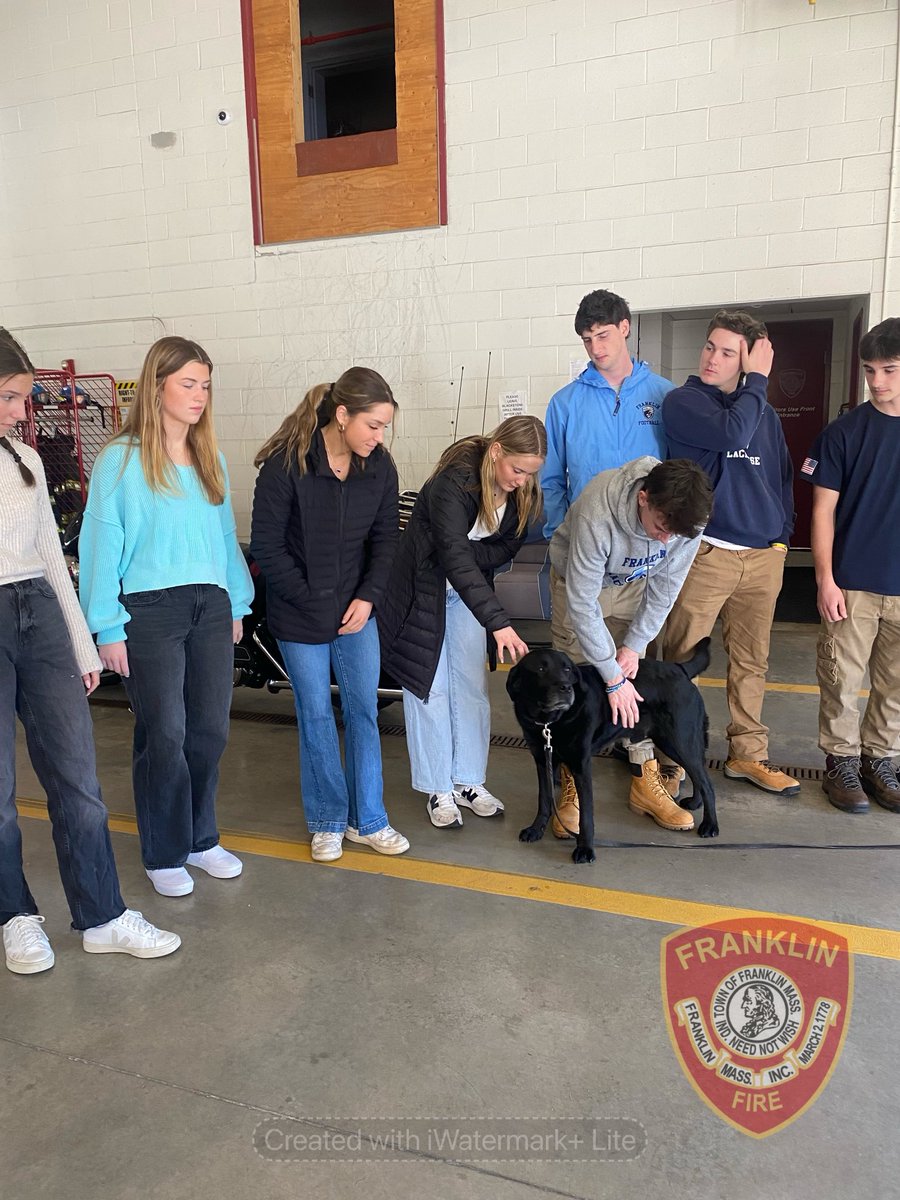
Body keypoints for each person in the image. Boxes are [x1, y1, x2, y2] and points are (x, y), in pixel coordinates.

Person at [0, 328, 180, 973]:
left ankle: (102, 915)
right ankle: (16, 916)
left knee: (78, 782)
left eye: (24, 399)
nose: (23, 412)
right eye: (12, 397)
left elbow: (52, 556)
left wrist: (81, 646)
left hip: (40, 615)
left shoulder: (25, 460)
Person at [79, 337, 253, 898]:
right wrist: (105, 625)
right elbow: (101, 546)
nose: (199, 395)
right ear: (157, 387)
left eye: (205, 385)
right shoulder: (120, 461)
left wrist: (238, 601)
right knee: (166, 733)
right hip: (149, 611)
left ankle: (202, 839)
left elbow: (224, 539)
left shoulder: (211, 460)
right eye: (188, 383)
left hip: (210, 605)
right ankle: (164, 850)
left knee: (209, 730)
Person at [250, 368, 408, 863]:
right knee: (315, 714)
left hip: (358, 613)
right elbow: (268, 549)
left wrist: (368, 597)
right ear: (342, 416)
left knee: (362, 710)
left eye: (384, 427)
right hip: (301, 615)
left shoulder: (379, 468)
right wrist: (313, 598)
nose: (379, 437)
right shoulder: (285, 466)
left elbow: (386, 540)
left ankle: (369, 819)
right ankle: (326, 821)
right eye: (373, 425)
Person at [542, 289, 675, 834]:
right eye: (586, 340)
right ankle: (573, 778)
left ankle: (646, 774)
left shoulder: (665, 397)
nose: (595, 349)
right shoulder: (566, 403)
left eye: (603, 335)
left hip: (642, 568)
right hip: (584, 564)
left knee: (631, 666)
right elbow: (551, 481)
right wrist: (563, 540)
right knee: (573, 670)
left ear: (625, 328)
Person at [379, 416, 546, 830]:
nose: (522, 480)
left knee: (470, 687)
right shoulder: (453, 484)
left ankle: (469, 781)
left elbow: (507, 547)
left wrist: (474, 559)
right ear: (496, 452)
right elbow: (453, 555)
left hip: (467, 592)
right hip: (424, 590)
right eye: (517, 469)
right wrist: (499, 623)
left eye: (530, 472)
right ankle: (438, 787)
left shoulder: (524, 493)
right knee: (429, 689)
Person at [661, 310, 799, 798]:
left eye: (728, 352)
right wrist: (757, 379)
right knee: (681, 658)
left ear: (746, 360)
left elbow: (780, 478)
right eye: (710, 347)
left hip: (762, 558)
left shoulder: (762, 411)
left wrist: (781, 539)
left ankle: (748, 756)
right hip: (706, 554)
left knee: (752, 662)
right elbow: (731, 433)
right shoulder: (683, 402)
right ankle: (675, 761)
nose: (713, 358)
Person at [549, 456, 712, 831]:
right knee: (576, 684)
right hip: (578, 582)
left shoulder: (689, 519)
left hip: (633, 585)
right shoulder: (598, 509)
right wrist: (610, 676)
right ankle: (572, 785)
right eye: (660, 527)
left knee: (639, 681)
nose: (666, 539)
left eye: (675, 534)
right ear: (643, 498)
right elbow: (581, 603)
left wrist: (634, 646)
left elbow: (666, 587)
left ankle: (644, 780)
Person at [802, 317, 900, 814]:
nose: (877, 382)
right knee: (841, 679)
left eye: (890, 369)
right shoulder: (842, 434)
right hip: (853, 584)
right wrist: (825, 579)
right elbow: (822, 512)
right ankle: (842, 763)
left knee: (896, 683)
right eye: (869, 370)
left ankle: (880, 760)